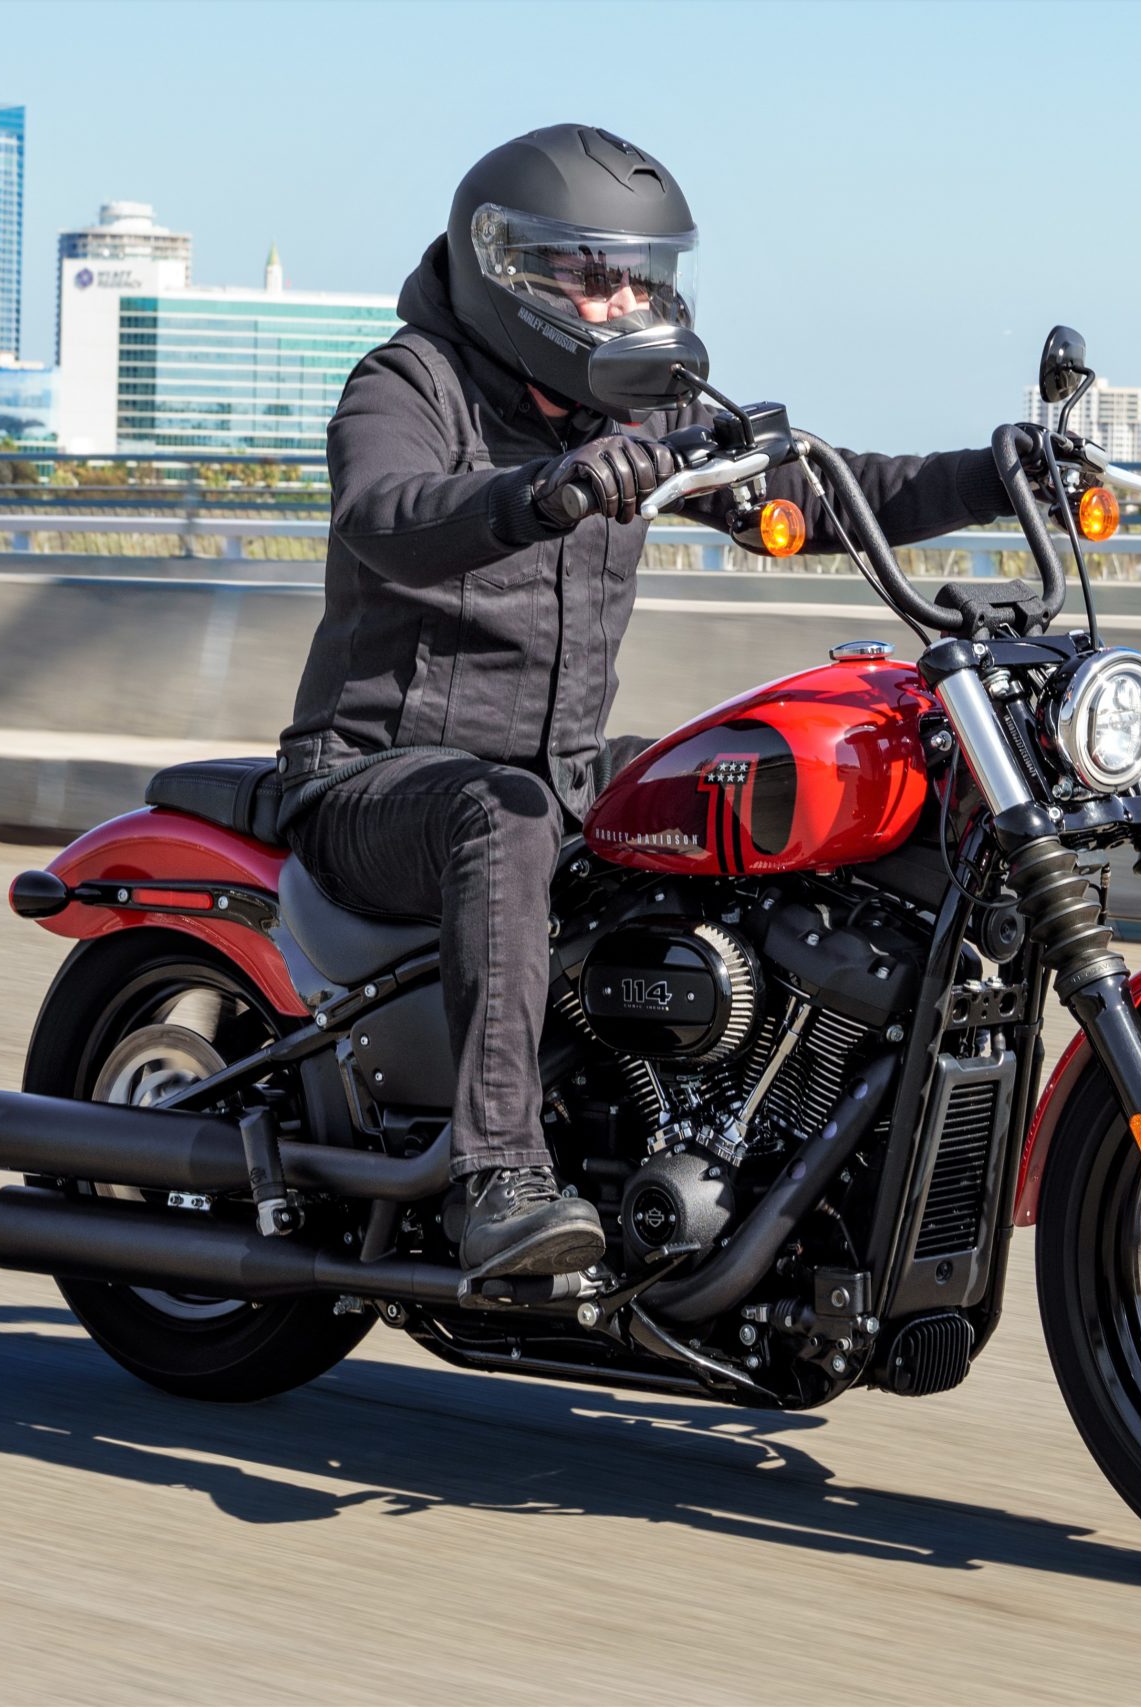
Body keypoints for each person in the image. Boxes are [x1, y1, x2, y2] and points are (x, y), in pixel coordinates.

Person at [280, 124, 1013, 1283]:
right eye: (592, 274)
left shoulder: (634, 418)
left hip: (560, 767)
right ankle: (496, 1180)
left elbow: (822, 493)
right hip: (376, 779)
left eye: (643, 277)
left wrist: (998, 473)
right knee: (505, 815)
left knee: (756, 784)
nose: (623, 303)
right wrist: (535, 492)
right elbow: (386, 509)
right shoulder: (407, 379)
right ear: (504, 265)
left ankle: (747, 1143)